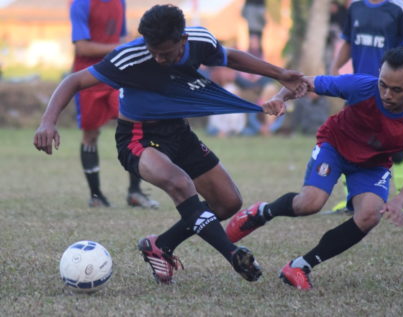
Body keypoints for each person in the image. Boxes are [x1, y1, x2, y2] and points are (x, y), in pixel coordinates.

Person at [34, 4, 304, 284]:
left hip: (178, 131)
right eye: (154, 52)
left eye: (166, 52)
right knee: (180, 183)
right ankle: (232, 253)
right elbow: (75, 80)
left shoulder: (200, 41)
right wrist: (47, 121)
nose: (159, 59)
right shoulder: (129, 56)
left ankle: (160, 245)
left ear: (183, 40)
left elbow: (230, 57)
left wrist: (279, 74)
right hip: (137, 136)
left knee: (227, 202)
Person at [226, 48, 403, 290]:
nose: (387, 94)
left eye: (397, 89)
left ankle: (299, 266)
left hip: (373, 163)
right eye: (383, 84)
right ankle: (261, 213)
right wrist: (280, 97)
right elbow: (303, 82)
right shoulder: (361, 86)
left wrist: (399, 200)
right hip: (335, 146)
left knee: (370, 214)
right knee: (310, 204)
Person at [329, 0, 403, 214]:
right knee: (347, 144)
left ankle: (402, 202)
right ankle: (352, 200)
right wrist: (334, 69)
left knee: (396, 148)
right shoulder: (355, 7)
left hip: (390, 91)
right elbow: (348, 43)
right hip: (359, 90)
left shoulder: (400, 9)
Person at [70, 0, 159, 208]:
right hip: (88, 78)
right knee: (90, 135)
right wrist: (122, 47)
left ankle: (135, 192)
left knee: (136, 126)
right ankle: (96, 195)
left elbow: (121, 36)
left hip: (117, 75)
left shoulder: (120, 2)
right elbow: (82, 46)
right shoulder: (81, 4)